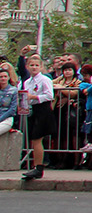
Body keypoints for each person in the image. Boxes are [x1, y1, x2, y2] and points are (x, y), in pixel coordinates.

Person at [19, 53, 53, 182]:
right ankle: (36, 165)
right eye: (31, 65)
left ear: (41, 67)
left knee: (37, 139)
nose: (34, 67)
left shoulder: (44, 80)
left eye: (36, 65)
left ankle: (39, 167)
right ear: (27, 66)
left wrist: (34, 97)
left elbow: (50, 95)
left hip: (43, 109)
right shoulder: (27, 82)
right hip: (33, 110)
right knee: (33, 138)